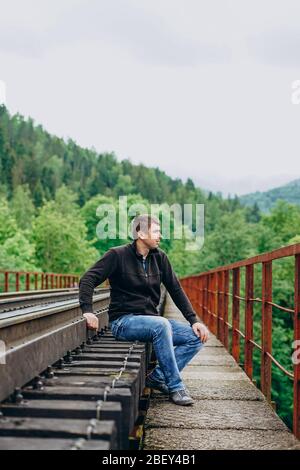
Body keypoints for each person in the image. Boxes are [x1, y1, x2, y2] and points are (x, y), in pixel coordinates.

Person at [79, 214, 209, 405]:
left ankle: (157, 377)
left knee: (196, 337)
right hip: (123, 322)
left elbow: (175, 289)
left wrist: (194, 321)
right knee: (161, 325)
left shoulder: (160, 258)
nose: (160, 236)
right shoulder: (117, 255)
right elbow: (88, 279)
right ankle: (176, 386)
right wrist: (88, 310)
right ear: (140, 233)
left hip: (151, 321)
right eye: (156, 231)